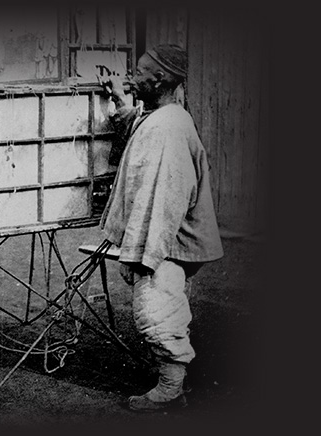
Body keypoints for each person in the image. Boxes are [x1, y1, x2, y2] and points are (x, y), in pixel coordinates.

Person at [98, 44, 224, 411]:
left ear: (161, 78)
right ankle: (173, 383)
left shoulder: (167, 128)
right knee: (165, 304)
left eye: (139, 73)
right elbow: (135, 123)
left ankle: (170, 389)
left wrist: (142, 256)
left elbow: (163, 200)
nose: (131, 78)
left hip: (166, 240)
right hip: (167, 238)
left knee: (156, 309)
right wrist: (120, 99)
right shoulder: (165, 116)